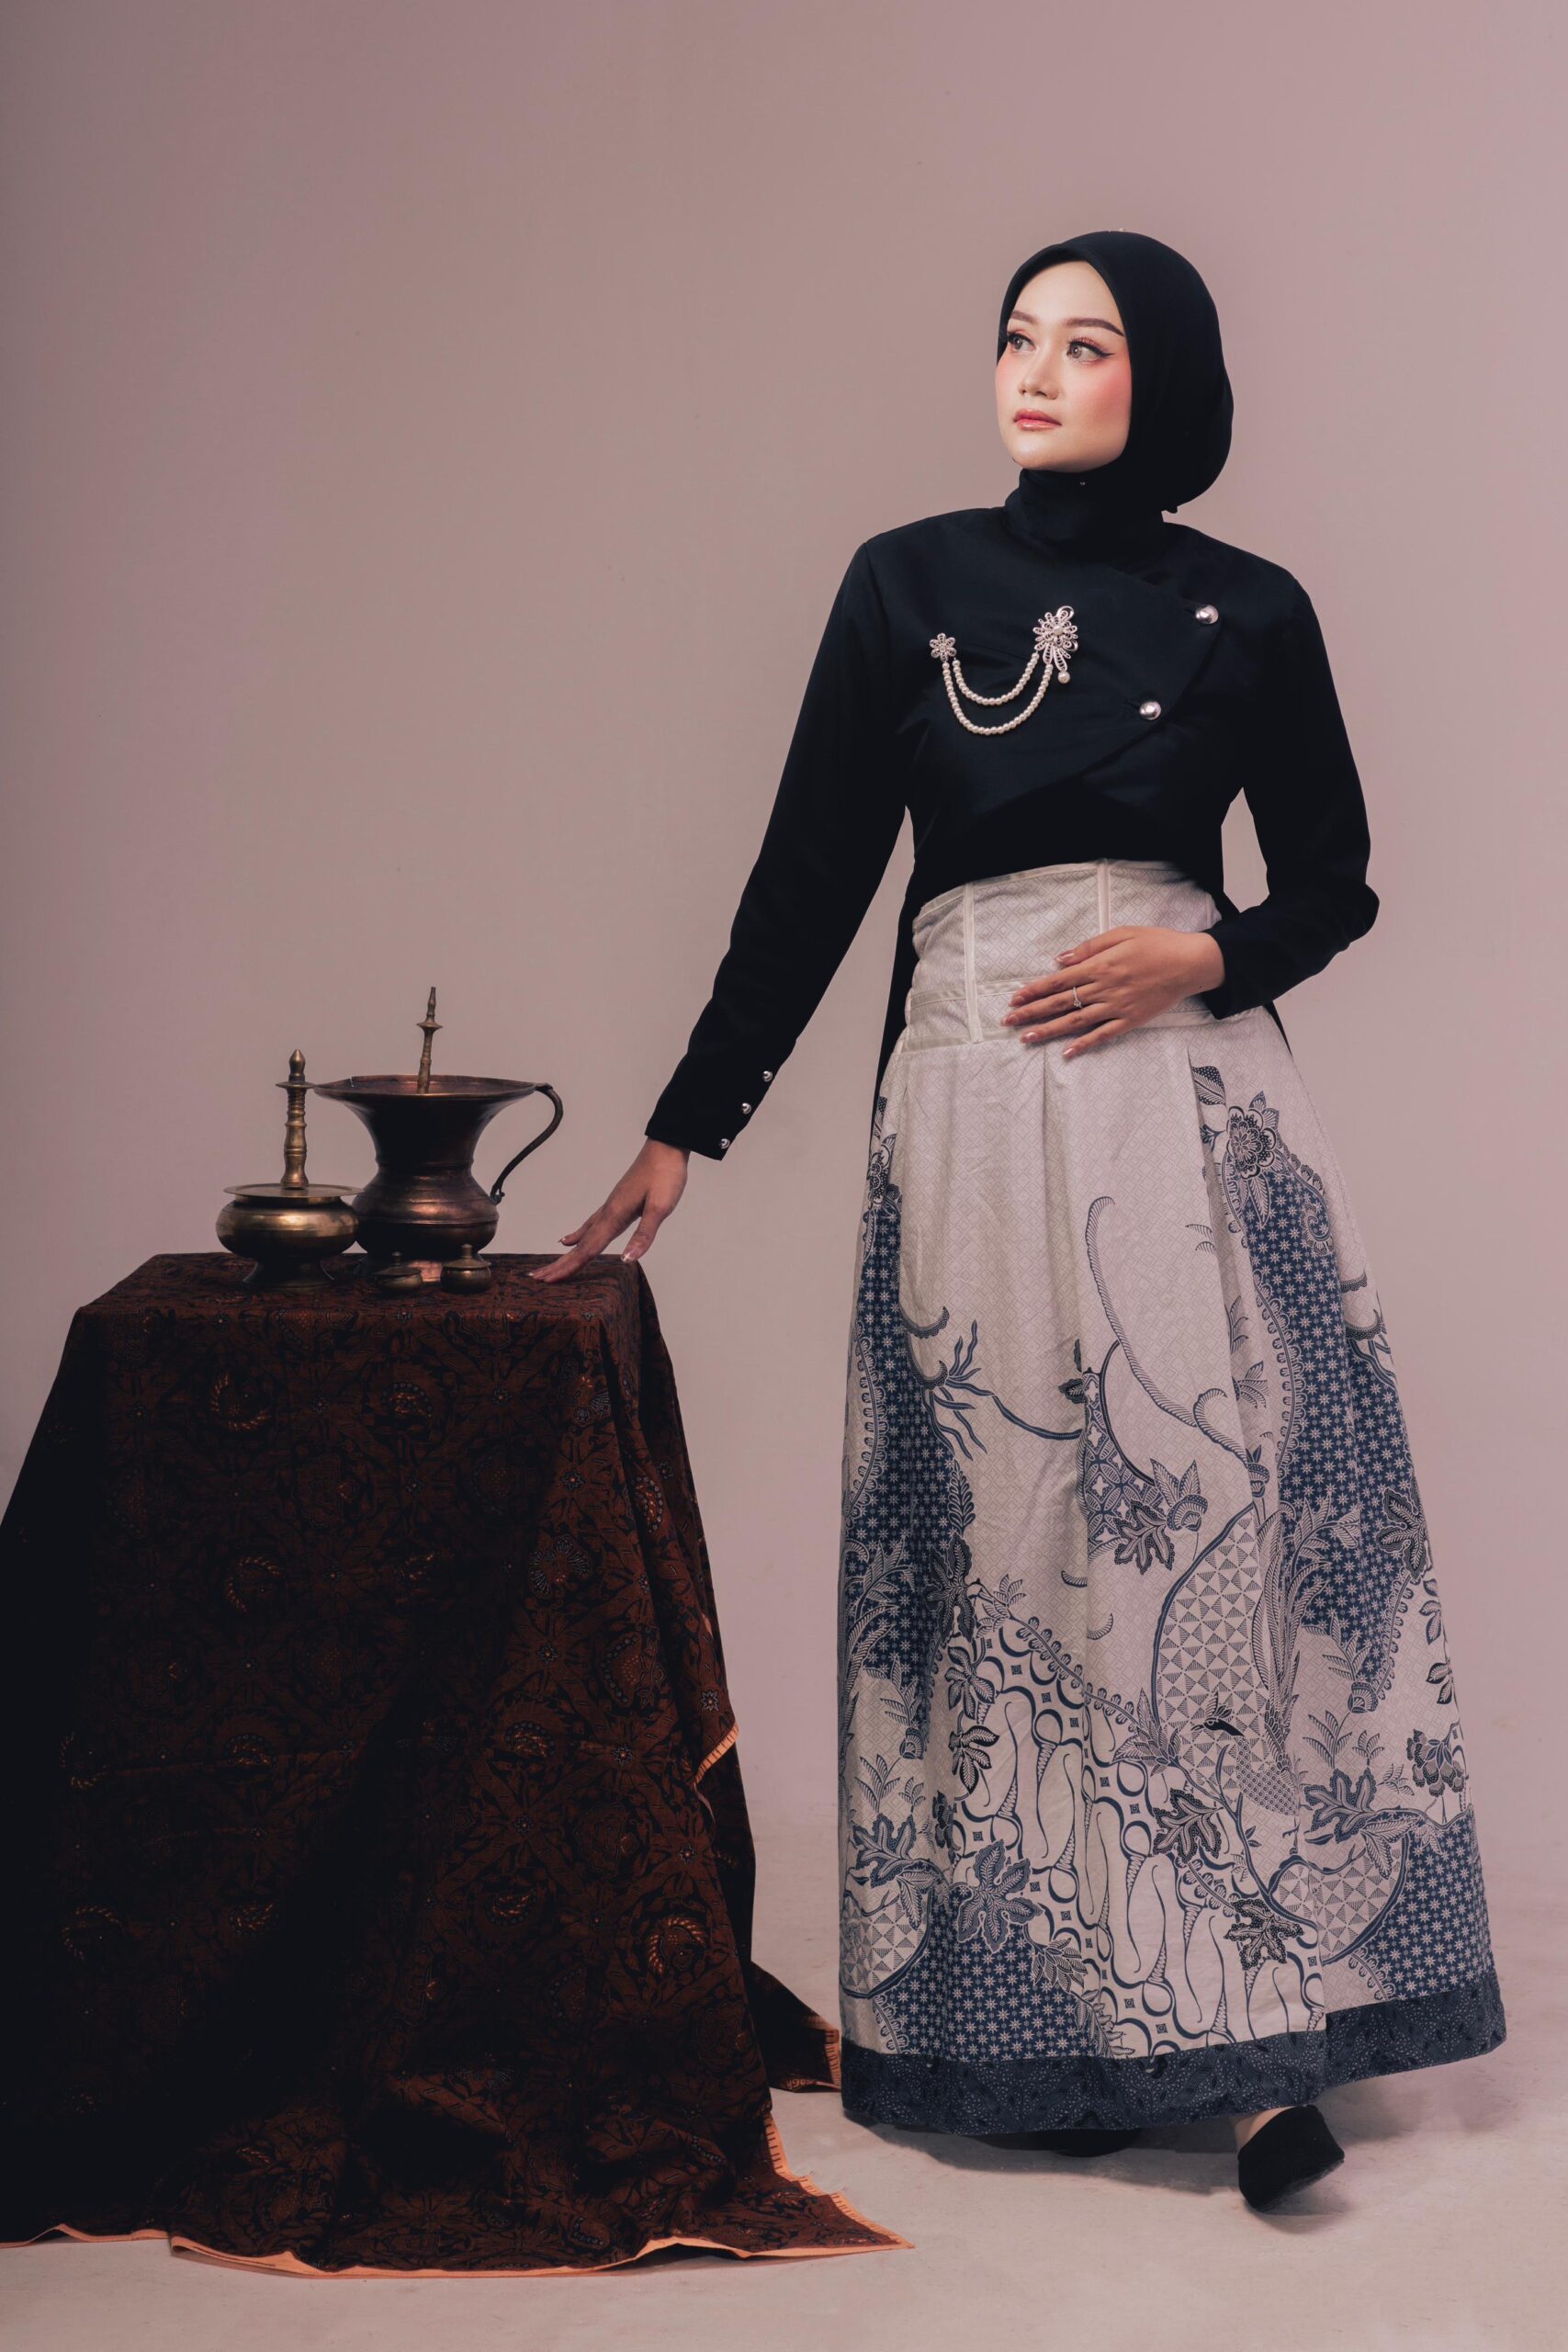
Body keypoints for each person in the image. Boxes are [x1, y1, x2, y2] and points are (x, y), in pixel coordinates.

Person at [531, 230, 1506, 2212]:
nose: (1036, 369)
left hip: (1182, 1109)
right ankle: (1047, 2010)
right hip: (970, 1100)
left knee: (1199, 1534)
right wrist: (688, 1121)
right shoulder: (905, 584)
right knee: (1002, 1545)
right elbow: (812, 871)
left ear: (1169, 378)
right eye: (1016, 336)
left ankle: (1251, 2049)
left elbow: (1333, 879)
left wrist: (1199, 953)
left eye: (1087, 342)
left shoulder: (1252, 607)